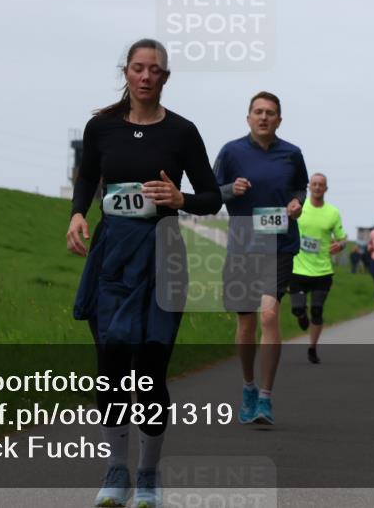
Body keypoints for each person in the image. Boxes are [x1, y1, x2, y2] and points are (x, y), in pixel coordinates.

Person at [66, 39, 222, 508]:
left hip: (162, 253)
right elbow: (86, 178)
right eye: (138, 68)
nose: (146, 76)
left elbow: (211, 197)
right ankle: (116, 470)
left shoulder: (182, 132)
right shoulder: (101, 128)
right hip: (112, 254)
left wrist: (181, 199)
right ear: (127, 73)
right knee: (111, 367)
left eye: (155, 70)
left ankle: (149, 475)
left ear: (165, 78)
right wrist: (77, 215)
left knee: (151, 370)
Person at [214, 91, 308, 426]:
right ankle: (249, 386)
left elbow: (300, 188)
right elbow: (211, 193)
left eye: (270, 112)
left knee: (268, 315)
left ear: (279, 119)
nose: (264, 117)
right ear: (248, 117)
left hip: (279, 244)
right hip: (242, 245)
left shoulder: (292, 154)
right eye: (258, 111)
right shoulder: (231, 152)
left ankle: (266, 398)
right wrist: (231, 190)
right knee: (246, 323)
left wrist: (297, 204)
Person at [290, 173, 348, 364]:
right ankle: (301, 315)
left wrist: (340, 245)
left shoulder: (333, 213)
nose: (317, 187)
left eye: (320, 184)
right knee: (297, 309)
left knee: (317, 311)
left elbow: (342, 238)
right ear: (309, 187)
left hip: (322, 271)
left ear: (325, 189)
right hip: (298, 269)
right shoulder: (299, 207)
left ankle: (312, 348)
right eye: (314, 184)